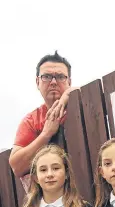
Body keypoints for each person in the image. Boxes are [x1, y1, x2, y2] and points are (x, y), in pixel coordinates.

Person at [9, 51, 76, 191]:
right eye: (46, 76)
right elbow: (17, 166)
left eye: (60, 77)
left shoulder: (82, 103)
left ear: (69, 82)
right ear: (37, 82)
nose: (53, 82)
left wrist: (67, 97)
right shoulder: (31, 121)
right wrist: (46, 133)